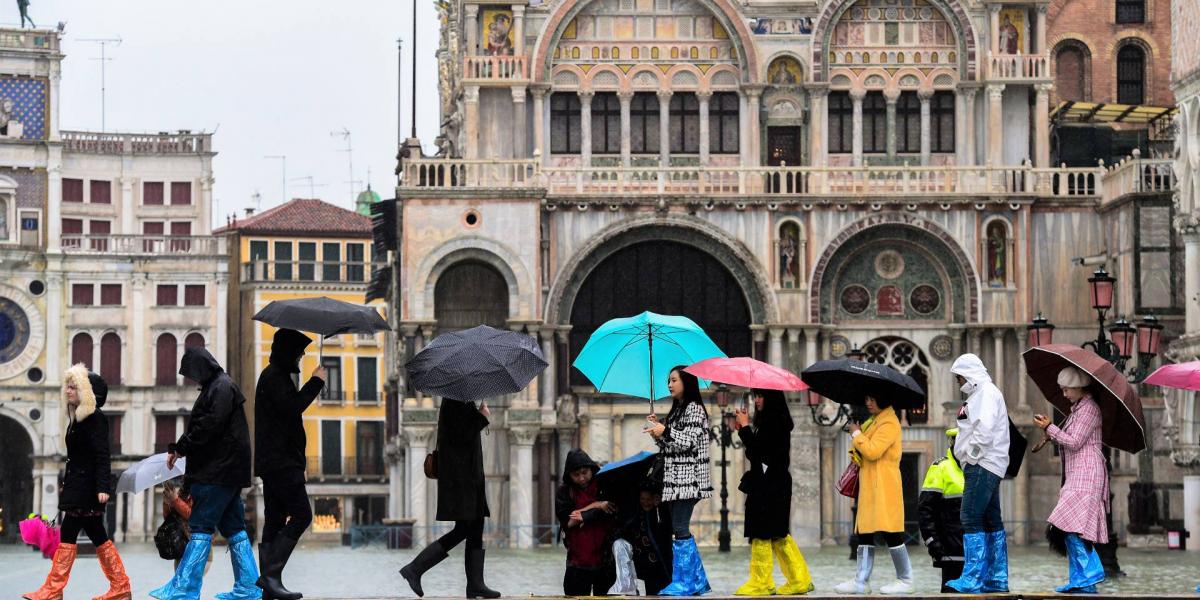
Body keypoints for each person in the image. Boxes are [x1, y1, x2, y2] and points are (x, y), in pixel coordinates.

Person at [151, 347, 259, 600]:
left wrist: (180, 447)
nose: (193, 380)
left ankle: (184, 589)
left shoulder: (220, 388)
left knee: (200, 526)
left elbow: (208, 426)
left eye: (193, 374)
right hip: (227, 471)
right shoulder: (221, 386)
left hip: (217, 471)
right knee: (234, 529)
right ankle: (249, 587)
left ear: (201, 368)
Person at [23, 365, 130, 600]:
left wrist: (103, 487)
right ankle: (120, 586)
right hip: (78, 486)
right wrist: (68, 483)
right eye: (68, 386)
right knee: (97, 535)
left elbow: (103, 454)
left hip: (88, 488)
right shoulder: (76, 418)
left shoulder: (95, 418)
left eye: (73, 387)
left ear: (86, 392)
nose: (68, 391)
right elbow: (76, 457)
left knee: (70, 533)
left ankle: (54, 589)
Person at [400, 398, 501, 599]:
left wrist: (477, 415)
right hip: (462, 479)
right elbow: (461, 435)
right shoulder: (455, 401)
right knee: (465, 528)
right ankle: (415, 568)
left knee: (475, 528)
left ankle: (475, 585)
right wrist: (482, 418)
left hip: (469, 478)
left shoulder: (461, 400)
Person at [254, 328, 326, 600]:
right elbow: (292, 408)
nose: (301, 357)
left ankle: (269, 589)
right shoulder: (275, 377)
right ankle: (270, 576)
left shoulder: (272, 376)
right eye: (298, 353)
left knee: (273, 520)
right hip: (282, 462)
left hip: (275, 462)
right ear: (288, 352)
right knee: (302, 515)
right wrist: (316, 382)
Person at [731, 389, 813, 596]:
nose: (756, 400)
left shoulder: (773, 421)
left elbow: (760, 451)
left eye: (760, 396)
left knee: (762, 532)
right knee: (777, 534)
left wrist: (746, 428)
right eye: (755, 396)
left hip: (770, 486)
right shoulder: (773, 422)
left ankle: (761, 583)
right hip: (772, 483)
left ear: (771, 398)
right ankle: (798, 579)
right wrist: (745, 429)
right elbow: (757, 454)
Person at [1034, 366, 1107, 594]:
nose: (1064, 394)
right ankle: (1082, 580)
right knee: (1072, 527)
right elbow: (1071, 439)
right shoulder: (1078, 410)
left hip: (1088, 472)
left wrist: (1050, 427)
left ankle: (1090, 571)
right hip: (1078, 472)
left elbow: (1074, 442)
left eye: (1067, 390)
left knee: (1066, 523)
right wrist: (1051, 434)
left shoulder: (1090, 410)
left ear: (1079, 388)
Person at [645, 366, 713, 596]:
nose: (670, 385)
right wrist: (659, 433)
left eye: (674, 380)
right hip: (675, 480)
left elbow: (688, 442)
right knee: (679, 527)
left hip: (689, 480)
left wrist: (665, 430)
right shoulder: (677, 410)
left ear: (687, 381)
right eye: (668, 380)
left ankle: (684, 582)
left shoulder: (694, 409)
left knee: (680, 528)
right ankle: (696, 580)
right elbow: (671, 446)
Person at [835, 394, 913, 595]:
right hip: (869, 485)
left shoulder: (889, 423)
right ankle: (861, 581)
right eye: (866, 399)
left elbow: (873, 450)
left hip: (884, 485)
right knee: (865, 532)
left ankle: (905, 579)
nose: (868, 403)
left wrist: (856, 435)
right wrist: (857, 435)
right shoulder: (873, 421)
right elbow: (862, 451)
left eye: (872, 399)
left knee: (891, 532)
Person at [946, 353, 1011, 594]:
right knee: (991, 520)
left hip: (982, 464)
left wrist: (971, 457)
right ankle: (996, 577)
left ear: (968, 374)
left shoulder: (985, 393)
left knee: (970, 516)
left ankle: (972, 578)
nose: (957, 382)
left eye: (959, 377)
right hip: (990, 464)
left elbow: (983, 429)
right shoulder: (982, 394)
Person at [555, 448, 617, 595]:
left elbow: (611, 510)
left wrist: (586, 515)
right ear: (569, 475)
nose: (582, 478)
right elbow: (568, 523)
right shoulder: (565, 492)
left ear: (591, 469)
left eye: (585, 473)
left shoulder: (604, 485)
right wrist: (597, 506)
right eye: (576, 475)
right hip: (578, 562)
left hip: (606, 560)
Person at [918, 429, 965, 593]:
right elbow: (925, 510)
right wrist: (933, 543)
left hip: (975, 553)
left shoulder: (976, 467)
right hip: (950, 551)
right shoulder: (940, 467)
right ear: (953, 443)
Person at [619, 485, 673, 595]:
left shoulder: (662, 512)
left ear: (655, 498)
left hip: (663, 563)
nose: (645, 502)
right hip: (647, 566)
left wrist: (660, 507)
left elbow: (667, 530)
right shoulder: (637, 515)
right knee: (651, 592)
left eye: (648, 499)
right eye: (642, 499)